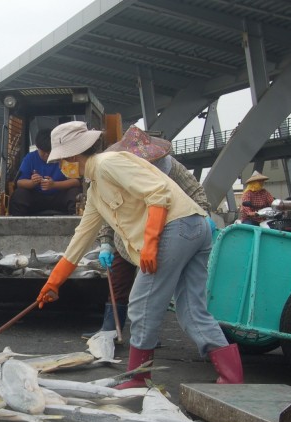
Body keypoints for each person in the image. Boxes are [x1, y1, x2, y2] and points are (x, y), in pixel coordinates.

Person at [37, 121, 243, 389]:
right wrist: (53, 282)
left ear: (73, 156)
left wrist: (150, 242)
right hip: (194, 227)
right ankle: (232, 377)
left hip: (175, 227)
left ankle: (137, 377)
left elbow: (157, 194)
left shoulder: (106, 163)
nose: (61, 167)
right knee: (191, 309)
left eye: (62, 160)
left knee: (141, 304)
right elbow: (82, 238)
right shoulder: (96, 190)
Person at [81, 125, 216, 341]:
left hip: (165, 233)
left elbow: (195, 193)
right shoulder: (116, 169)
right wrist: (106, 243)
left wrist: (204, 216)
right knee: (118, 283)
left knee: (152, 296)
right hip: (127, 238)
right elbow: (109, 210)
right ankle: (109, 330)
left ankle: (146, 337)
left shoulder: (171, 168)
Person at [8, 128, 82, 216]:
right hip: (37, 198)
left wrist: (54, 185)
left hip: (59, 197)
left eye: (49, 151)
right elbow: (20, 182)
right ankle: (17, 224)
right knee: (19, 195)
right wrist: (32, 182)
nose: (47, 155)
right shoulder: (30, 158)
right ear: (37, 147)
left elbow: (75, 182)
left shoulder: (63, 158)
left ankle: (75, 221)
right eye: (43, 151)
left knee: (75, 193)